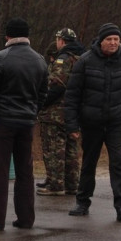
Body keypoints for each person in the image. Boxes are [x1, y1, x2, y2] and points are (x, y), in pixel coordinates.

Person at [0, 18, 48, 231]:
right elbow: (43, 92)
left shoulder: (1, 58)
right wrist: (33, 112)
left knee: (0, 171)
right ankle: (26, 218)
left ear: (7, 36)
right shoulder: (40, 60)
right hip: (26, 122)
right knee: (25, 171)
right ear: (27, 36)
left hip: (2, 121)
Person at [65, 23, 121, 222]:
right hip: (91, 121)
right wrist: (72, 124)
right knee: (89, 162)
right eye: (109, 39)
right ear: (101, 41)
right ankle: (82, 202)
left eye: (116, 39)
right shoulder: (85, 61)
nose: (113, 43)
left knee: (118, 162)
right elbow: (72, 95)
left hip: (117, 121)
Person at [36, 28, 85, 196]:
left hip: (56, 112)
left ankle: (56, 185)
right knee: (71, 150)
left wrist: (42, 103)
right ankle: (72, 184)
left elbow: (56, 85)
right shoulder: (81, 58)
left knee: (54, 149)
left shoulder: (63, 59)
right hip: (74, 112)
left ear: (61, 41)